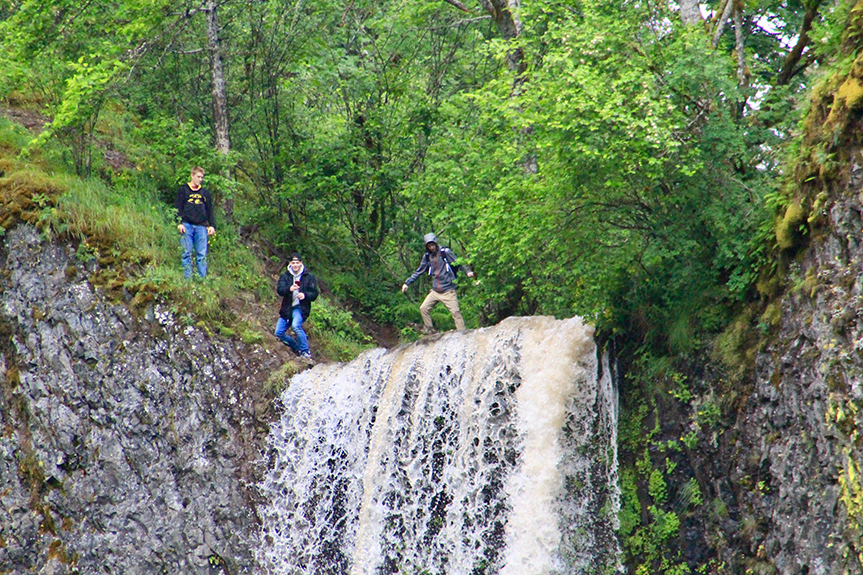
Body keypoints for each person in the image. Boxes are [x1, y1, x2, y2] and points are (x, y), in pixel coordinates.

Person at [402, 233, 474, 333]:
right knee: (424, 308)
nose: (431, 247)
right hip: (435, 291)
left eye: (432, 245)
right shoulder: (427, 257)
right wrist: (407, 283)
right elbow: (419, 271)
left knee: (456, 313)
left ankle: (463, 335)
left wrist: (468, 271)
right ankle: (431, 333)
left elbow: (458, 262)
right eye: (429, 246)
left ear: (436, 243)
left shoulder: (445, 252)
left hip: (448, 290)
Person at [275, 253, 319, 363]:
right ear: (290, 264)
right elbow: (280, 290)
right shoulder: (285, 276)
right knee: (278, 333)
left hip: (300, 308)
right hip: (287, 309)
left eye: (297, 263)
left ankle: (305, 351)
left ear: (301, 263)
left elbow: (314, 293)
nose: (295, 265)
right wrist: (289, 289)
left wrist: (305, 295)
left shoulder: (308, 276)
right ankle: (297, 348)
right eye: (293, 263)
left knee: (296, 326)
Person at [174, 166, 216, 279]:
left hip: (201, 226)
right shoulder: (183, 190)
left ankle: (202, 280)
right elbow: (178, 207)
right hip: (186, 224)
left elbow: (210, 210)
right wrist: (179, 222)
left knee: (201, 255)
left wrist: (212, 225)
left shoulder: (205, 193)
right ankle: (187, 281)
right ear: (192, 176)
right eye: (198, 177)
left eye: (202, 177)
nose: (200, 179)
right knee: (186, 253)